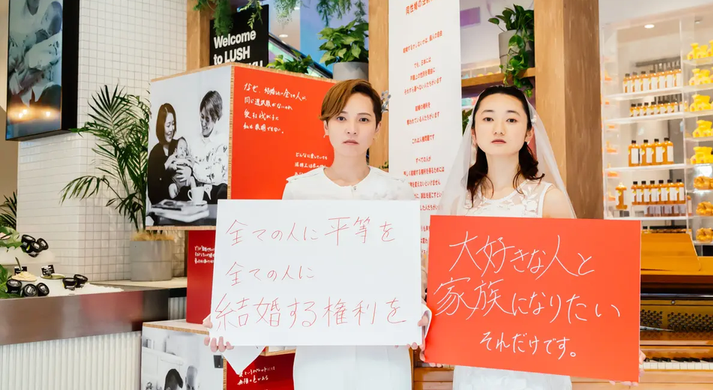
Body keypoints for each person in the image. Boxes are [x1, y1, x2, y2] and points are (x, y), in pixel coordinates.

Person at [203, 79, 430, 390]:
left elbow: (412, 270)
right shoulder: (300, 190)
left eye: (364, 119)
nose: (352, 129)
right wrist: (233, 321)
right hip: (320, 356)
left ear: (377, 128)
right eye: (341, 118)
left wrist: (417, 310)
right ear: (326, 126)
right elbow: (277, 272)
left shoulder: (398, 192)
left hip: (384, 354)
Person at [436, 85, 644, 389]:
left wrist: (614, 347)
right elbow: (447, 284)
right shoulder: (460, 203)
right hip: (476, 358)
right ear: (475, 133)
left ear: (528, 133)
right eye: (488, 118)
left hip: (535, 355)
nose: (498, 128)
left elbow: (581, 282)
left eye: (511, 119)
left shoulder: (548, 199)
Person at [189, 91, 228, 203]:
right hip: (200, 193)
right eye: (202, 117)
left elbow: (215, 177)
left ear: (215, 119)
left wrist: (194, 166)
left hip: (217, 192)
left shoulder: (222, 141)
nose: (203, 123)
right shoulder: (194, 143)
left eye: (207, 119)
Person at [148, 103, 180, 205]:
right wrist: (166, 165)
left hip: (181, 207)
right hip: (161, 210)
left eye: (173, 124)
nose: (171, 129)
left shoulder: (179, 145)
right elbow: (152, 194)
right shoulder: (155, 153)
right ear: (161, 127)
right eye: (168, 125)